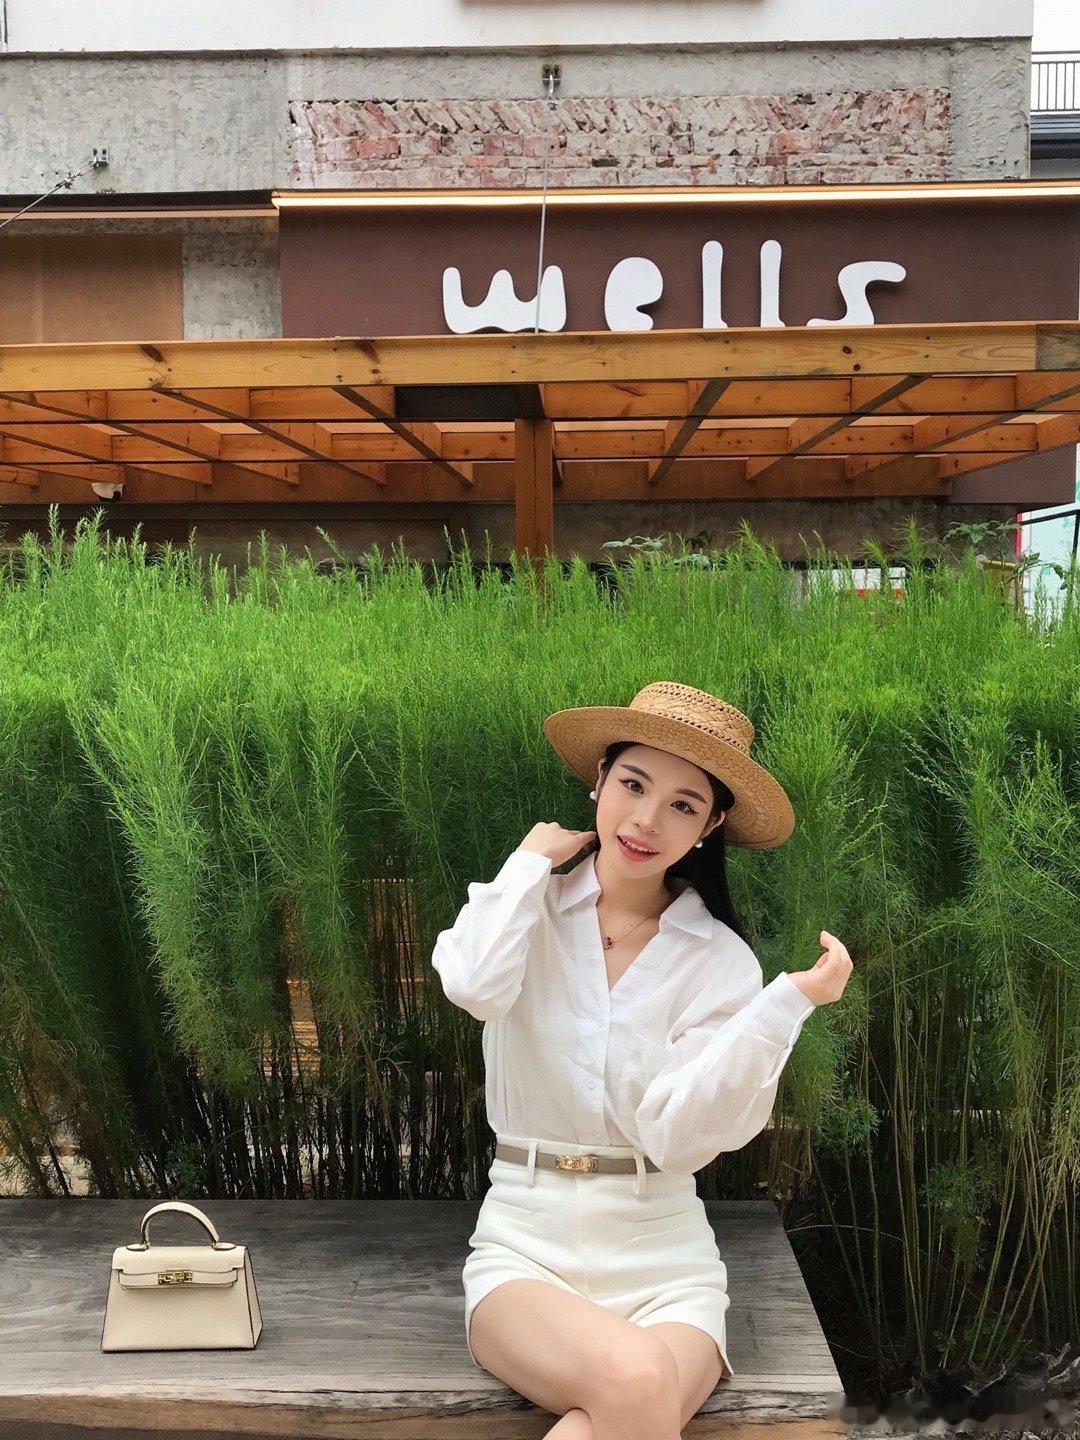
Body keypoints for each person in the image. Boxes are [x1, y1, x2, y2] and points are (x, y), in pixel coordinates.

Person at [431, 681, 853, 1440]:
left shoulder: (719, 960)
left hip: (666, 1263)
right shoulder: (527, 910)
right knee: (639, 1379)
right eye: (633, 784)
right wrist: (526, 864)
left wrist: (785, 1004)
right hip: (526, 1248)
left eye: (683, 805)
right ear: (600, 779)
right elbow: (472, 984)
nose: (647, 820)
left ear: (711, 825)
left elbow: (678, 1137)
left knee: (617, 1404)